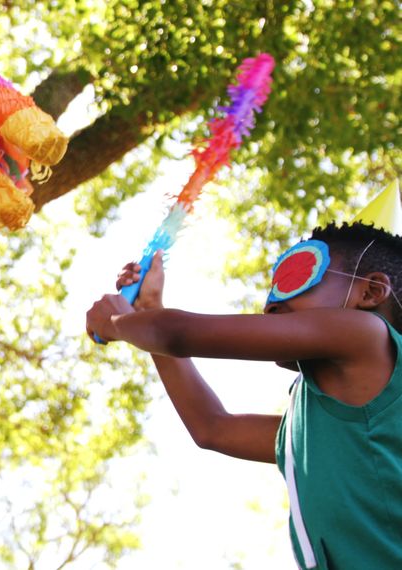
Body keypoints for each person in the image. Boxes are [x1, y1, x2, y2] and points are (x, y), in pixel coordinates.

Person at [86, 203, 402, 569]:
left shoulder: (367, 336)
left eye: (296, 276)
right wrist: (148, 309)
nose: (271, 304)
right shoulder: (306, 431)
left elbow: (176, 333)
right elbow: (212, 427)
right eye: (272, 291)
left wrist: (117, 321)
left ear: (371, 291)